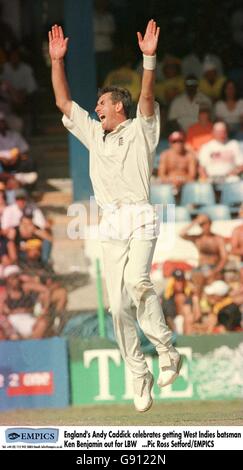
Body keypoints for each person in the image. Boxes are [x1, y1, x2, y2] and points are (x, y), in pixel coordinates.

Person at [49, 21, 182, 412]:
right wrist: (57, 62)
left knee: (139, 282)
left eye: (102, 103)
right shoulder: (94, 134)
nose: (97, 108)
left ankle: (168, 352)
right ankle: (140, 377)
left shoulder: (143, 128)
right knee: (118, 307)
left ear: (118, 106)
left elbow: (146, 96)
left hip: (140, 214)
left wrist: (148, 58)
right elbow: (62, 103)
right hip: (110, 223)